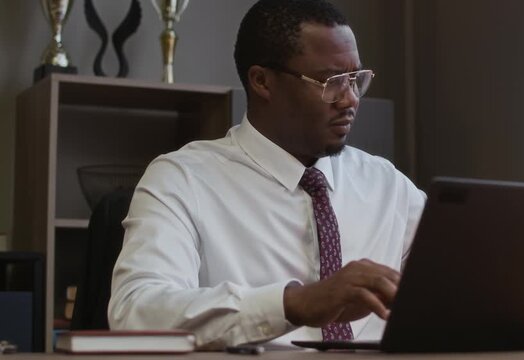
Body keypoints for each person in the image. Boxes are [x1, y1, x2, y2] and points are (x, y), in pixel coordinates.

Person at [108, 0, 426, 350]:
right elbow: (135, 313)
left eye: (355, 79)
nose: (349, 100)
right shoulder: (183, 180)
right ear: (262, 81)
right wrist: (295, 303)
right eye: (329, 81)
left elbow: (459, 290)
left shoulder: (388, 186)